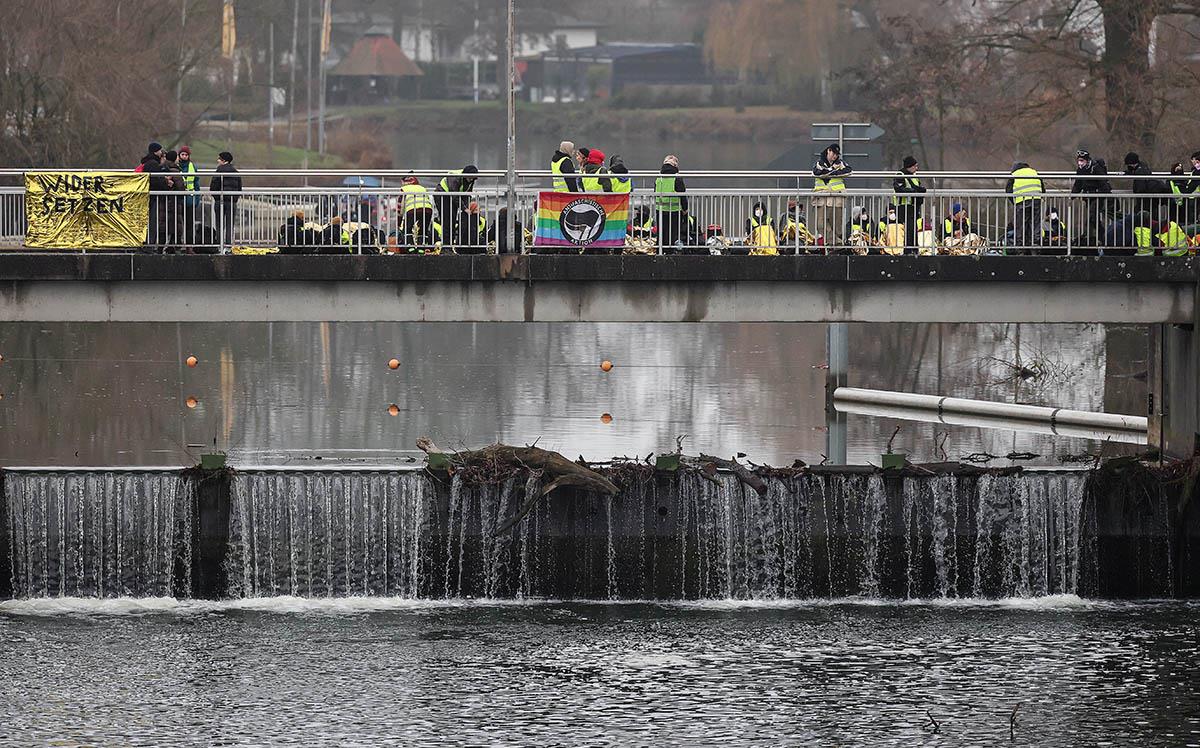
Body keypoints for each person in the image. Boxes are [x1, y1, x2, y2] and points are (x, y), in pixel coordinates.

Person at [1070, 149, 1111, 249]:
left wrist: (1103, 194)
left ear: (1087, 160)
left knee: (1092, 216)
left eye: (1082, 160)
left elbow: (1103, 183)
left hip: (1097, 196)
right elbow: (1078, 184)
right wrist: (1072, 196)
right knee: (1094, 219)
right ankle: (1102, 238)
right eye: (1079, 160)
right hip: (1088, 197)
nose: (1080, 163)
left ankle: (1095, 237)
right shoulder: (1080, 170)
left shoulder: (1095, 168)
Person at [812, 143, 851, 248]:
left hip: (837, 197)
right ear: (828, 151)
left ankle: (835, 245)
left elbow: (848, 170)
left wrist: (832, 172)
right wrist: (831, 172)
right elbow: (816, 172)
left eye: (837, 154)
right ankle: (836, 243)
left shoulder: (840, 163)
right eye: (834, 153)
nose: (835, 156)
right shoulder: (819, 163)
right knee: (820, 224)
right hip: (822, 197)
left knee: (837, 226)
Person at [434, 164, 478, 246]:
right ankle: (446, 246)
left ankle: (451, 243)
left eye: (473, 178)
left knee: (453, 220)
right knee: (447, 220)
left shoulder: (471, 180)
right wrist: (464, 208)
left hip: (452, 197)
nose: (471, 180)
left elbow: (467, 194)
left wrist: (467, 206)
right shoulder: (455, 177)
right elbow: (454, 194)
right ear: (465, 175)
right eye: (470, 178)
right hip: (442, 194)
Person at [1006, 161, 1043, 252]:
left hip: (1022, 201)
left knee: (1021, 224)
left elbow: (1008, 190)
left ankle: (1021, 248)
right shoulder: (1034, 172)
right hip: (1036, 200)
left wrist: (1014, 202)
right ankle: (1035, 245)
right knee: (1035, 224)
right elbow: (1042, 187)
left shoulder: (1015, 174)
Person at [209, 151, 242, 252]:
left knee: (219, 224)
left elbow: (213, 186)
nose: (217, 161)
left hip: (221, 201)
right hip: (232, 202)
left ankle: (219, 245)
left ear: (223, 160)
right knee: (229, 224)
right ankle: (228, 246)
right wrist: (234, 199)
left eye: (219, 159)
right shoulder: (236, 172)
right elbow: (239, 188)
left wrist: (217, 198)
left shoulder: (219, 170)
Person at [892, 156, 926, 253]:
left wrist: (920, 190)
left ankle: (914, 249)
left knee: (913, 228)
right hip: (903, 206)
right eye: (915, 166)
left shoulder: (914, 176)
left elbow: (917, 187)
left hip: (913, 206)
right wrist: (913, 191)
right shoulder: (900, 174)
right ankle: (908, 250)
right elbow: (899, 189)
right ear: (909, 166)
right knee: (908, 229)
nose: (916, 168)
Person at [655, 154, 688, 250]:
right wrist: (685, 209)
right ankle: (670, 252)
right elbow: (682, 195)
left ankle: (660, 250)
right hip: (674, 210)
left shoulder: (658, 177)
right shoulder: (677, 177)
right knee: (673, 234)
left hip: (660, 209)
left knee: (661, 232)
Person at [1123, 152, 1167, 223]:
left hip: (1145, 201)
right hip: (1152, 200)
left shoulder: (1140, 172)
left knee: (1142, 220)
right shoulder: (1143, 167)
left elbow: (1140, 188)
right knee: (1153, 220)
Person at [139, 144, 169, 249]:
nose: (162, 152)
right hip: (152, 196)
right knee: (152, 223)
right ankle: (149, 246)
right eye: (160, 150)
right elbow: (156, 180)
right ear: (156, 151)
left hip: (147, 195)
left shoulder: (147, 162)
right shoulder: (153, 164)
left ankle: (147, 245)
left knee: (148, 222)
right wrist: (166, 184)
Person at [400, 174, 435, 249]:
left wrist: (399, 221)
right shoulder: (422, 188)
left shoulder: (404, 189)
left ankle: (410, 248)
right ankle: (421, 248)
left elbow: (400, 206)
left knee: (407, 229)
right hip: (428, 210)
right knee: (423, 230)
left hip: (412, 210)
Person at [162, 150, 187, 252]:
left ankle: (159, 248)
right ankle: (172, 246)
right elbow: (181, 187)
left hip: (164, 202)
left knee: (164, 226)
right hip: (174, 202)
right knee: (175, 225)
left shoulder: (162, 168)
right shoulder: (175, 171)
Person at [178, 146, 201, 246]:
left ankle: (189, 246)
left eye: (186, 155)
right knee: (177, 224)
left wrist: (196, 200)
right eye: (182, 154)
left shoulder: (192, 167)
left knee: (189, 224)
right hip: (178, 199)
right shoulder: (175, 166)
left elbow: (196, 185)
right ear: (179, 155)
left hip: (189, 200)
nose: (184, 156)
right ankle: (177, 244)